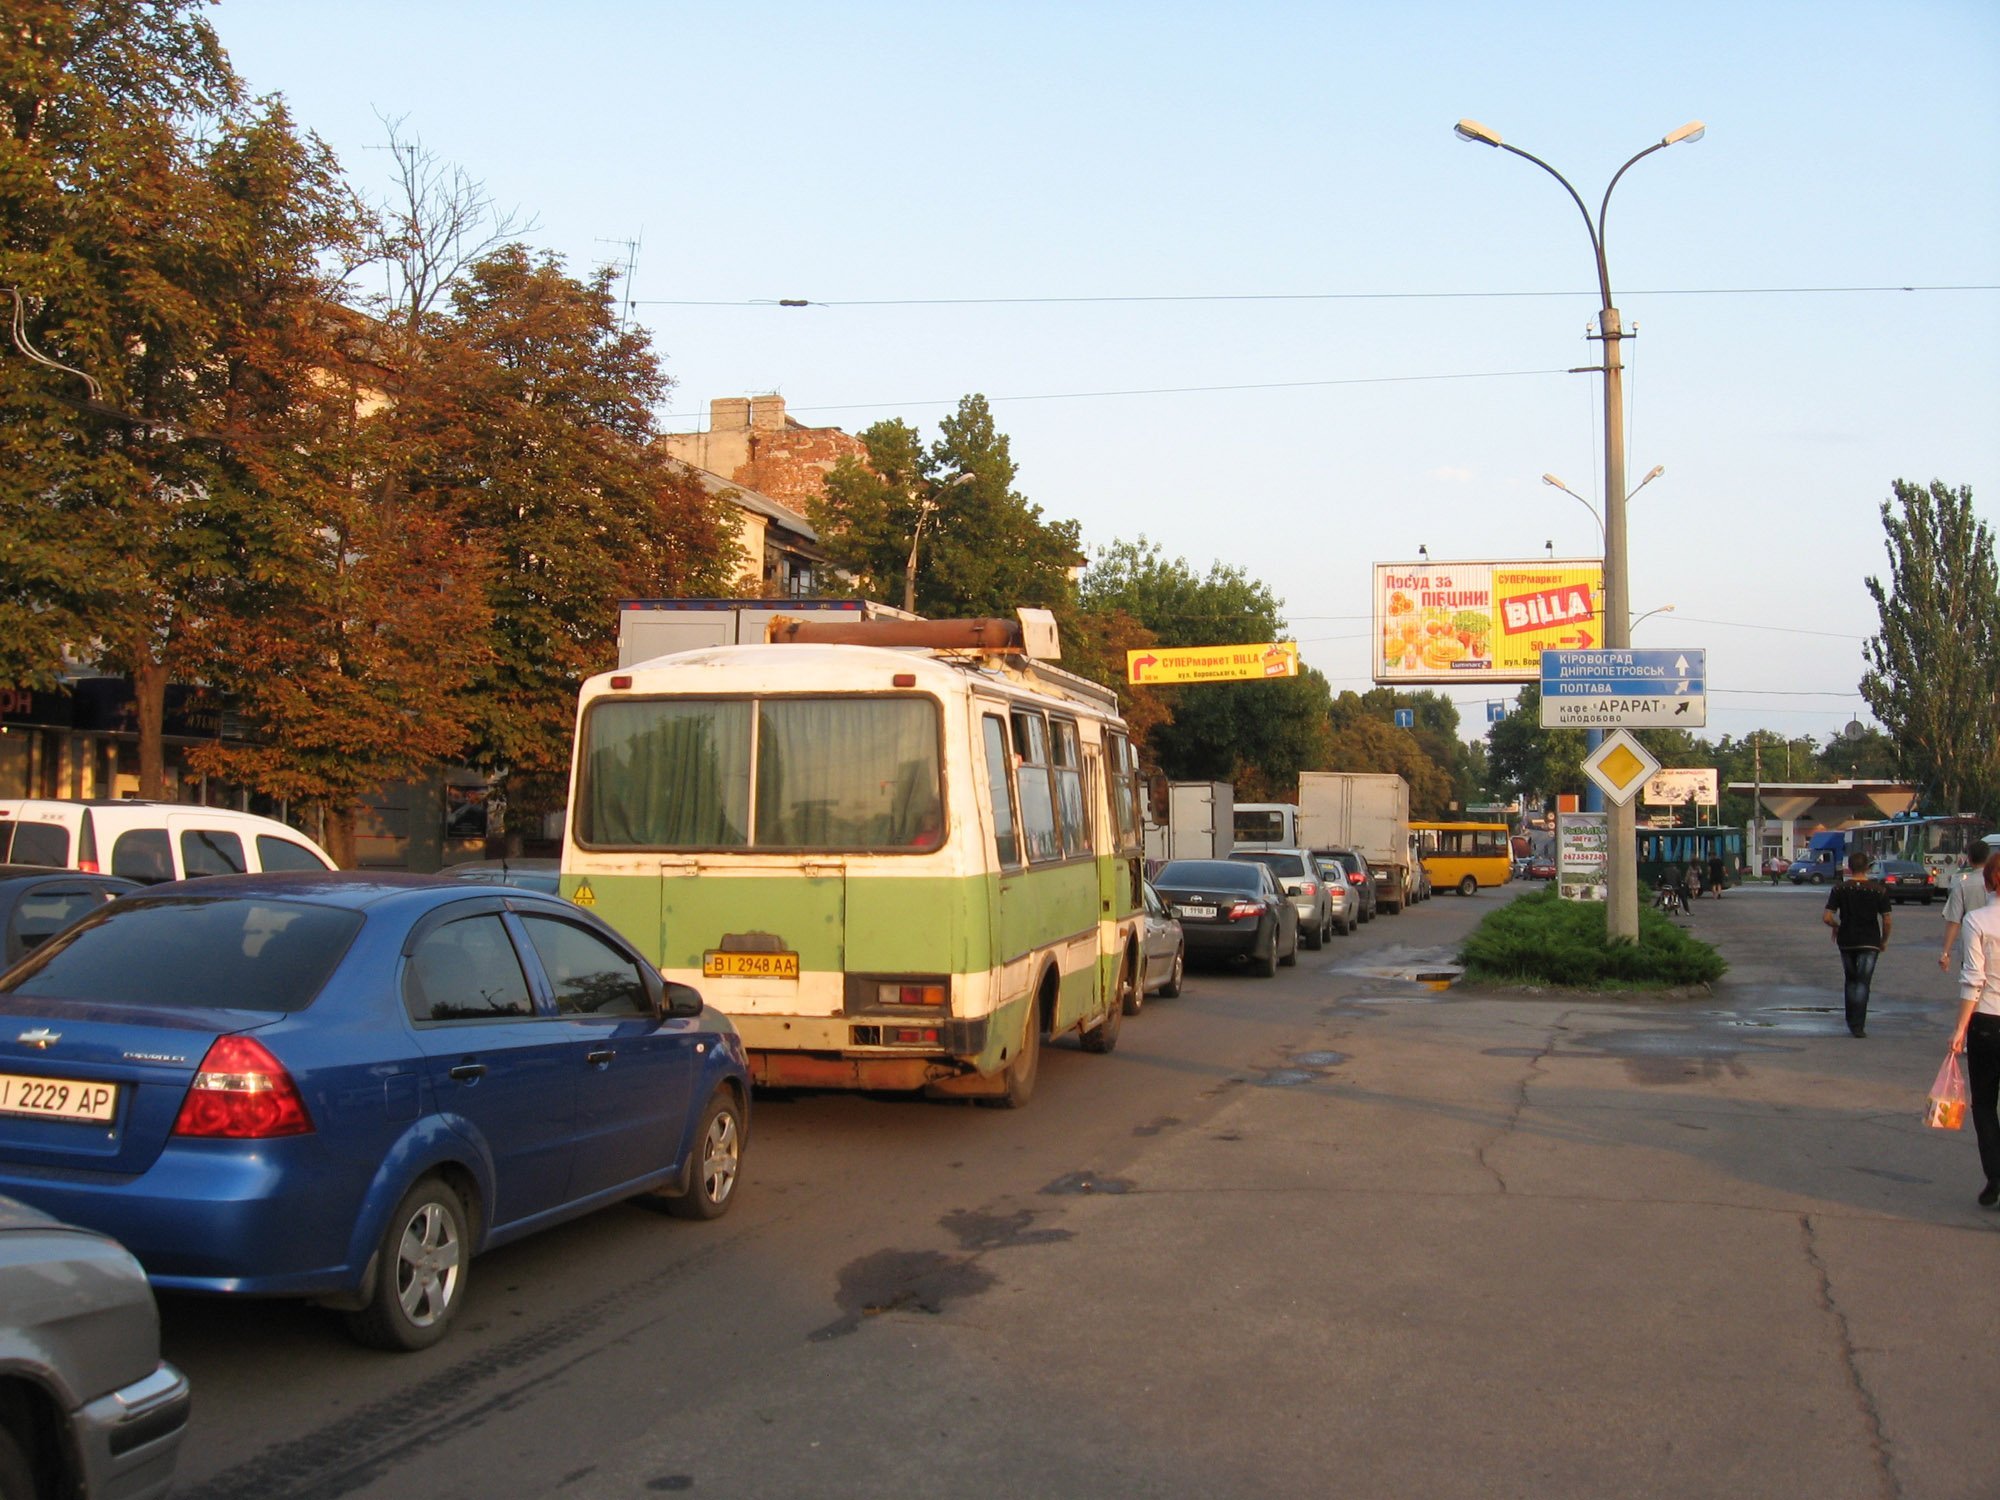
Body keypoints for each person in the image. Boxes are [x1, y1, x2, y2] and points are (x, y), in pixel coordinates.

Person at [1947, 855, 2000, 1207]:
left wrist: (1960, 1028)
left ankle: (1995, 1176)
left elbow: (1973, 979)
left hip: (1988, 1022)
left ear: (1989, 882)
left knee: (1984, 1103)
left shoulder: (1977, 920)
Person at [1823, 851, 1892, 1037]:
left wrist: (1836, 926)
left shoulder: (1839, 889)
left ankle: (1851, 1020)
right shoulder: (1879, 890)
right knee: (1863, 982)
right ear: (1868, 868)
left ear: (1849, 868)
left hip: (1847, 940)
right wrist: (1884, 940)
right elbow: (1887, 921)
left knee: (1851, 979)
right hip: (1870, 941)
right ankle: (1858, 1025)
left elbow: (1827, 917)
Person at [1940, 850, 1998, 973]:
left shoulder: (1961, 886)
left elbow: (1953, 921)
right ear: (1988, 859)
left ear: (1969, 860)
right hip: (1995, 949)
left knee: (1973, 979)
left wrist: (1945, 953)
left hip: (1970, 949)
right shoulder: (1994, 882)